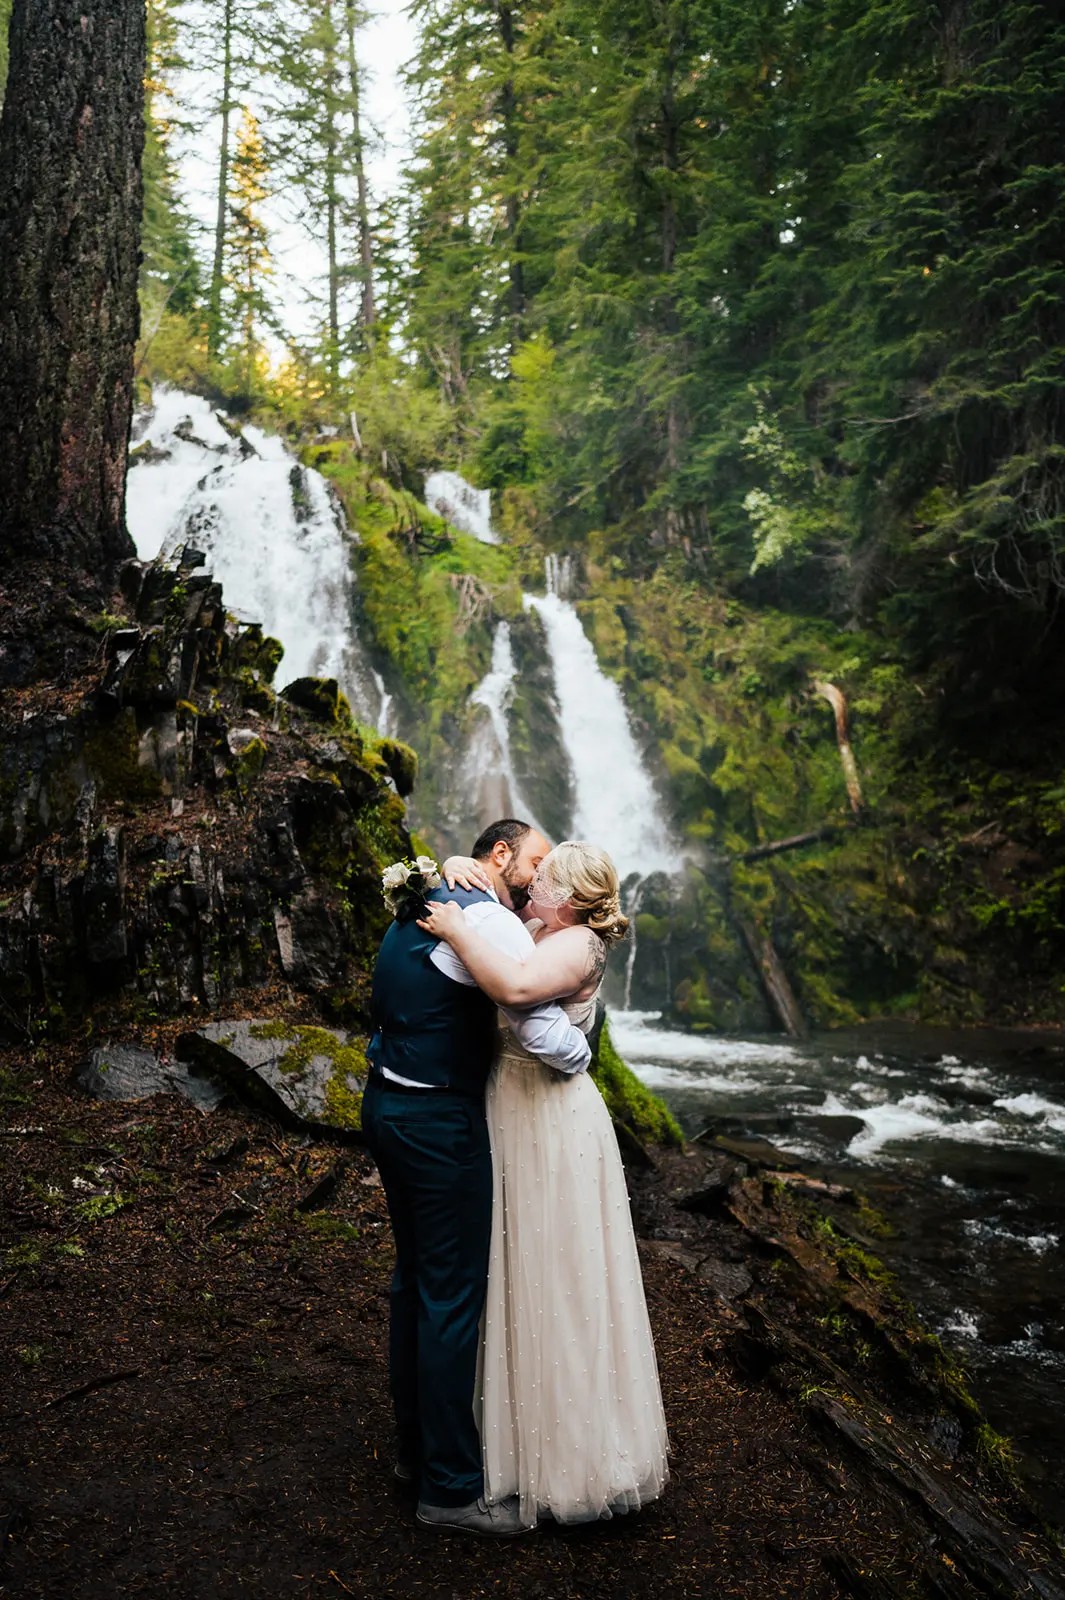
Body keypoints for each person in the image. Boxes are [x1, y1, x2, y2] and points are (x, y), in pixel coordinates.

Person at [418, 840, 670, 1527]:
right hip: (508, 1104)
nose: (533, 882)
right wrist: (453, 871)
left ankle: (563, 1461)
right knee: (505, 1264)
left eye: (546, 879)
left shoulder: (579, 945)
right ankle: (497, 1442)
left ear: (573, 898)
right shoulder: (537, 927)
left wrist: (456, 928)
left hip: (550, 1118)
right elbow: (496, 909)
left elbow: (518, 989)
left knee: (554, 1272)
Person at [361, 819, 593, 1538]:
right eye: (535, 862)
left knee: (413, 1282)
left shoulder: (424, 898)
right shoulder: (490, 921)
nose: (542, 877)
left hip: (385, 1104)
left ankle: (413, 1452)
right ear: (502, 858)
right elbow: (530, 1015)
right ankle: (451, 1488)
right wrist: (582, 1047)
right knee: (450, 1297)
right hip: (439, 1122)